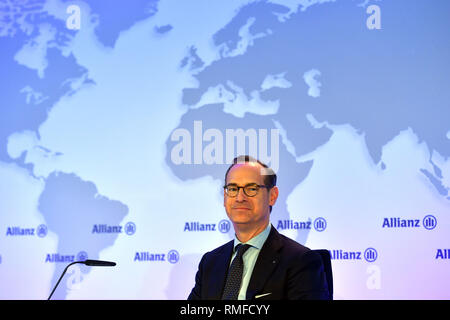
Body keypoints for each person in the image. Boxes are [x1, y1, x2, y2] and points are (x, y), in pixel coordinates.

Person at [188, 155, 330, 300]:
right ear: (225, 197)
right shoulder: (210, 262)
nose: (240, 197)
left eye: (251, 188)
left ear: (272, 196)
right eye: (232, 188)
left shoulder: (301, 262)